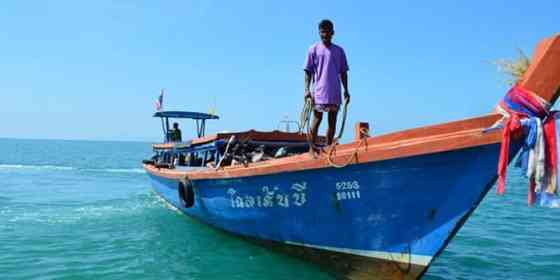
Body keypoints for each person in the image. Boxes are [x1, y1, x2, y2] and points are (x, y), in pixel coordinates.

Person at [304, 19, 350, 155]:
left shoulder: (339, 51)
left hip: (335, 91)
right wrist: (306, 90)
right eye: (322, 32)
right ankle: (312, 149)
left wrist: (346, 90)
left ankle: (328, 148)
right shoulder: (313, 49)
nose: (324, 34)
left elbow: (343, 72)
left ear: (333, 33)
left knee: (332, 122)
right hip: (319, 92)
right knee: (317, 120)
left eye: (327, 32)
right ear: (319, 33)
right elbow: (308, 71)